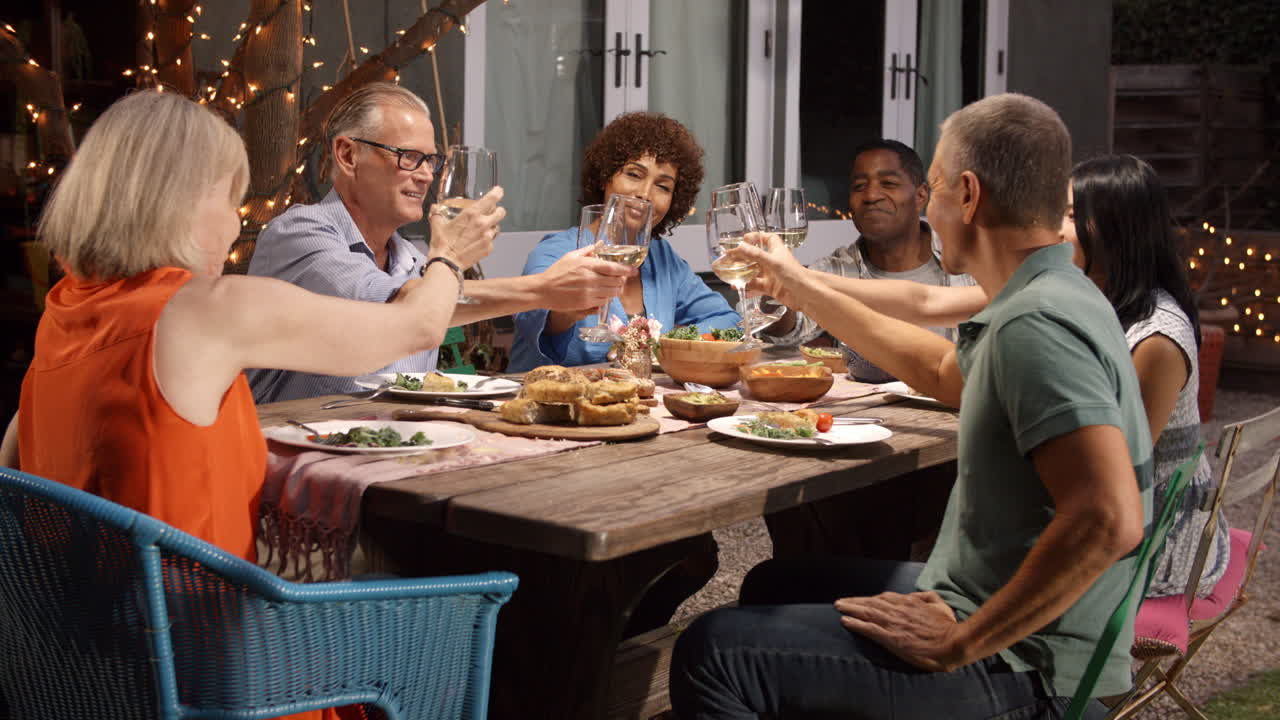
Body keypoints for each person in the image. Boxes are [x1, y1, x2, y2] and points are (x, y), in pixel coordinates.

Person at [1, 89, 501, 720]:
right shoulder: (205, 309)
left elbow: (14, 474)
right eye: (230, 199)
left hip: (93, 677)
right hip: (219, 677)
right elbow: (417, 328)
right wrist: (449, 255)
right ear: (178, 200)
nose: (238, 224)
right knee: (467, 618)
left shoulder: (61, 316)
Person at [669, 94, 1151, 719]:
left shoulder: (1038, 324)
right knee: (775, 583)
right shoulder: (1053, 290)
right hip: (993, 607)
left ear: (968, 196)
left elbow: (1110, 519)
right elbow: (937, 369)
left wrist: (961, 643)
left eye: (936, 187)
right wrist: (795, 283)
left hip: (1030, 668)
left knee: (712, 652)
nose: (930, 208)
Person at [790, 154, 1229, 599]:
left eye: (1069, 215)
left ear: (1118, 227)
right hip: (1061, 531)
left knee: (814, 572)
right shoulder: (1065, 290)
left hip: (1142, 554)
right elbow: (923, 301)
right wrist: (798, 279)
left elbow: (1110, 487)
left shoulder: (1156, 338)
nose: (1050, 229)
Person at [247, 83, 631, 402]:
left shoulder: (414, 261)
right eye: (409, 157)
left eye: (431, 161)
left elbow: (435, 301)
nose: (427, 176)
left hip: (398, 454)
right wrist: (541, 289)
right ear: (348, 154)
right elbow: (403, 308)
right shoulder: (297, 234)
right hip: (291, 459)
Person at [507, 112, 740, 372]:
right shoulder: (556, 251)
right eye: (634, 174)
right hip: (547, 394)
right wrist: (565, 310)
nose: (644, 194)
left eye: (663, 187)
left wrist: (663, 346)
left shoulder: (663, 258)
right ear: (605, 177)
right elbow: (532, 318)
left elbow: (726, 319)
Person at [759, 139, 976, 382]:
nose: (871, 195)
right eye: (859, 186)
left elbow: (922, 303)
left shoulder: (971, 263)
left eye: (889, 183)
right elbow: (786, 333)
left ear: (921, 195)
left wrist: (800, 278)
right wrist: (772, 283)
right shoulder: (835, 270)